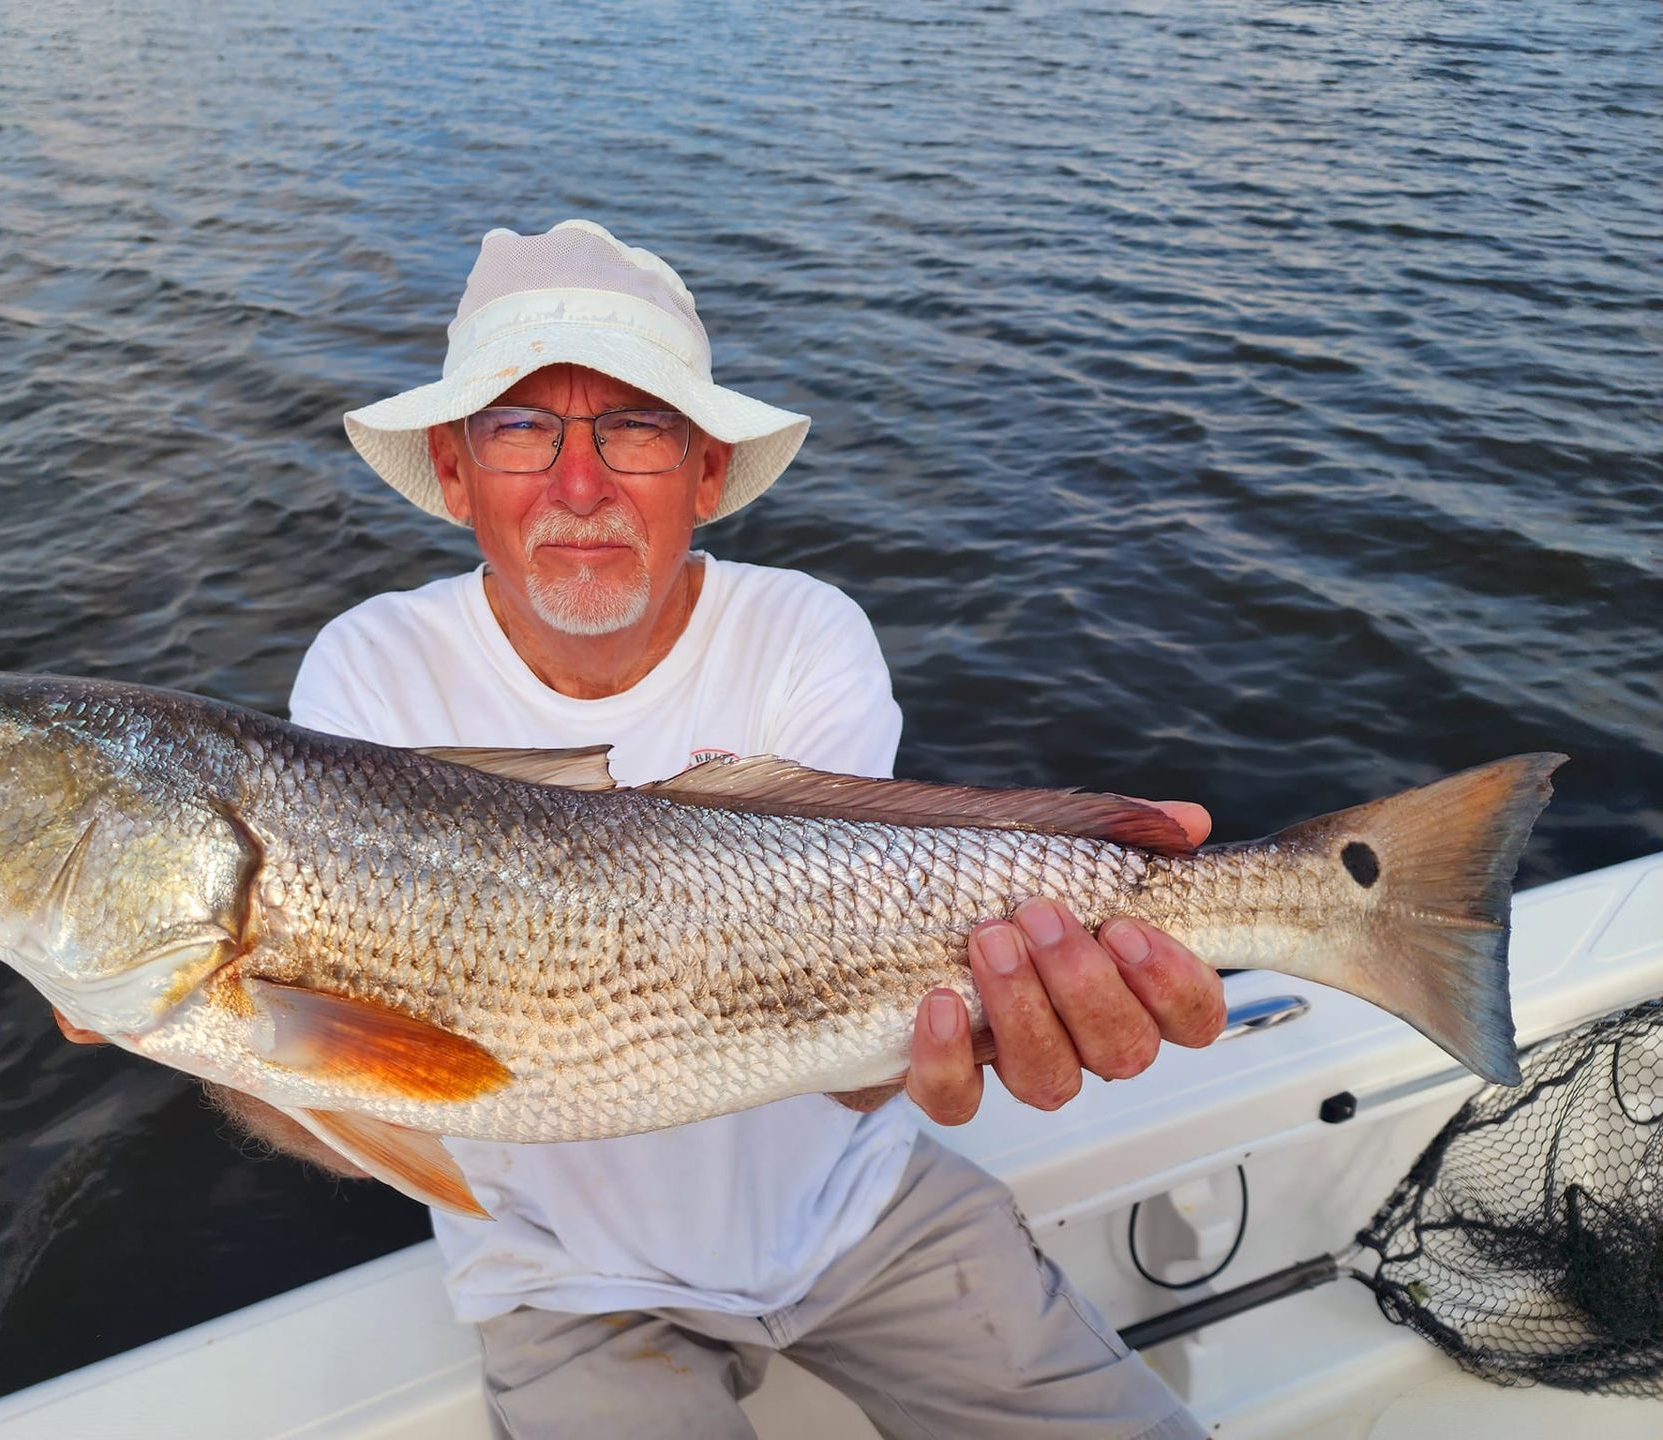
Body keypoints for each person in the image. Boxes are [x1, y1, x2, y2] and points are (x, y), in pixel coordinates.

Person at [61, 220, 1225, 1438]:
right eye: (521, 428)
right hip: (562, 1280)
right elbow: (370, 1098)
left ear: (707, 473)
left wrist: (951, 1042)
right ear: (456, 474)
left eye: (636, 427)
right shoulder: (369, 673)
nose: (579, 485)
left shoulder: (806, 634)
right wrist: (204, 1028)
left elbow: (843, 1047)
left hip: (865, 1214)